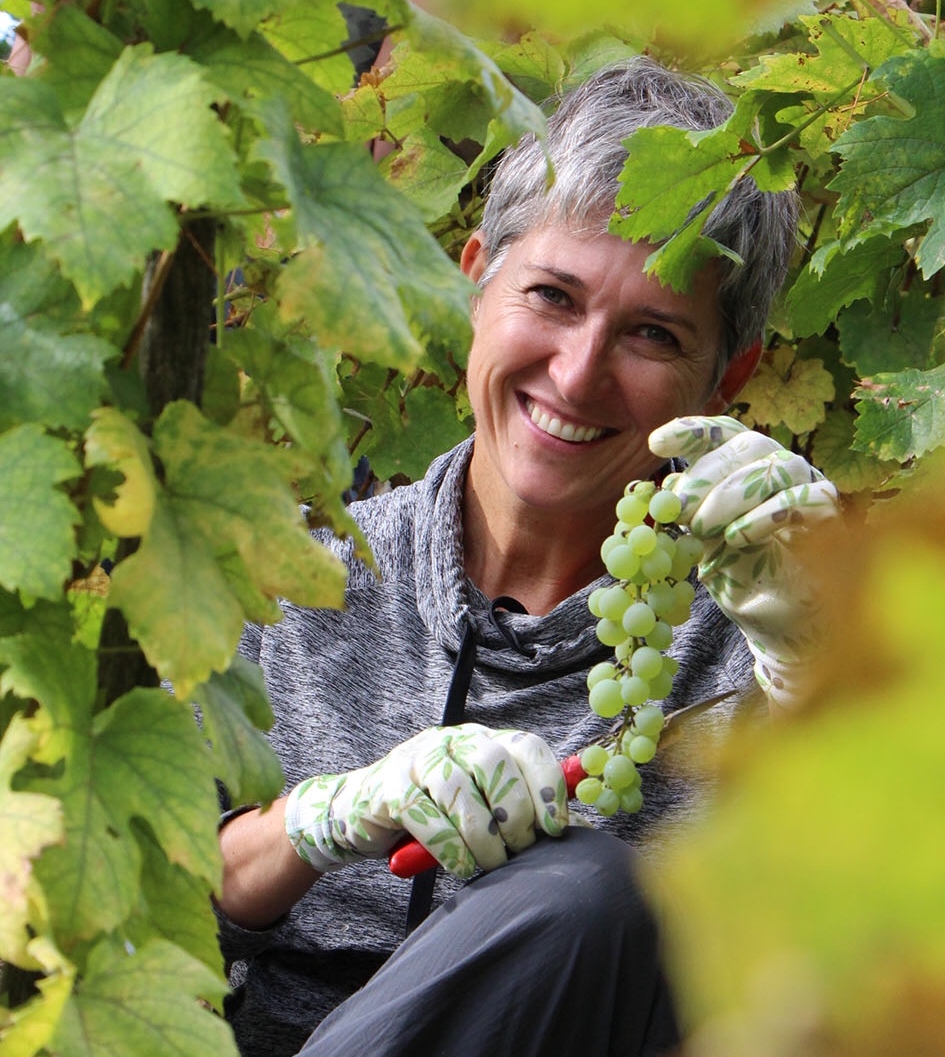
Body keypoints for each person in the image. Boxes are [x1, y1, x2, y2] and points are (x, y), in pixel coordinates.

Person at [214, 56, 838, 1057]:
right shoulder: (289, 580)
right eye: (552, 295)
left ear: (731, 376)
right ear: (474, 281)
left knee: (592, 896)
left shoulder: (758, 652)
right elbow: (126, 899)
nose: (580, 372)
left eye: (653, 332)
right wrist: (320, 819)